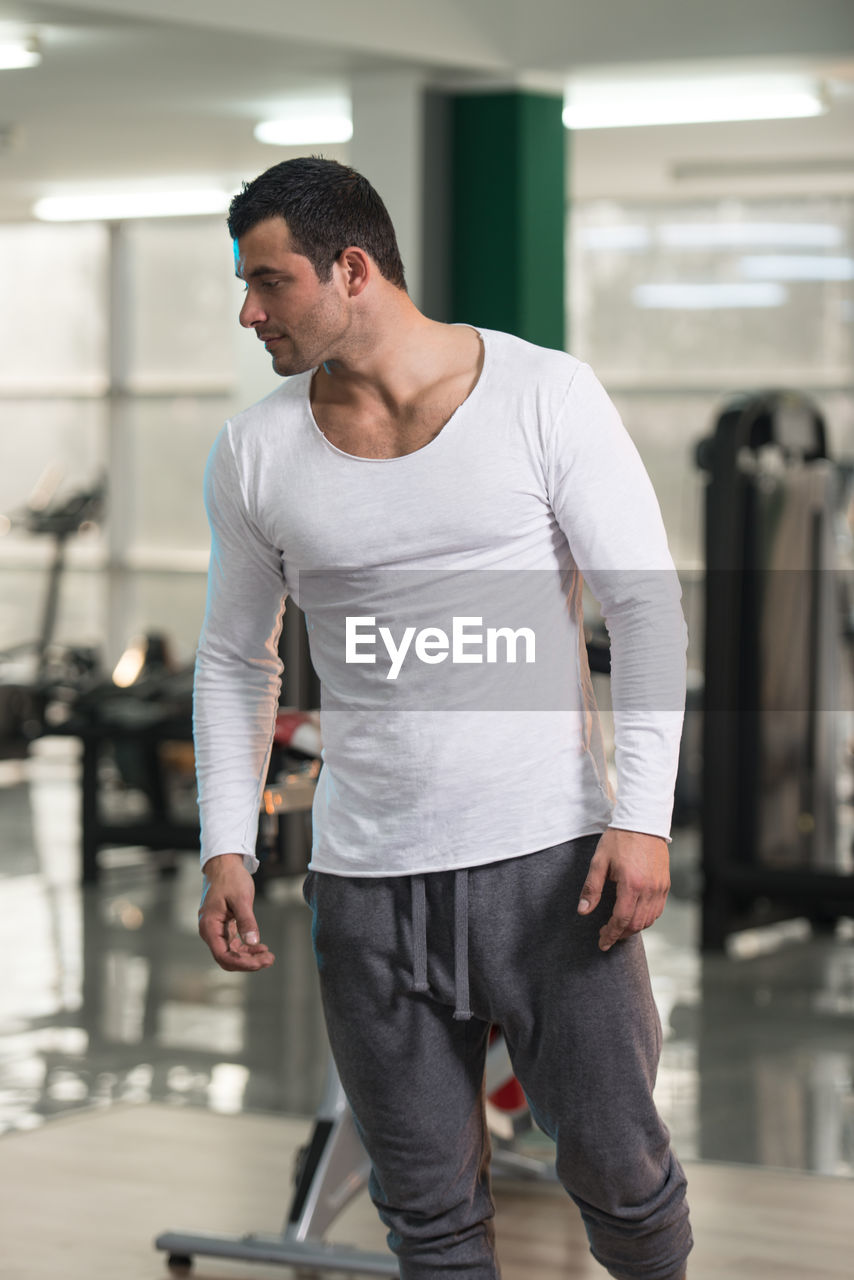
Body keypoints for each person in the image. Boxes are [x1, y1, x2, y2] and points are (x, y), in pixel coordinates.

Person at [195, 156, 692, 1280]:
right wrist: (225, 840)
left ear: (352, 268)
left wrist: (644, 818)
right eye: (245, 284)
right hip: (365, 885)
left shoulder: (542, 396)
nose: (248, 309)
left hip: (551, 868)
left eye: (270, 282)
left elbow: (644, 606)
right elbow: (235, 659)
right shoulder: (255, 450)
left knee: (620, 1172)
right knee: (425, 1214)